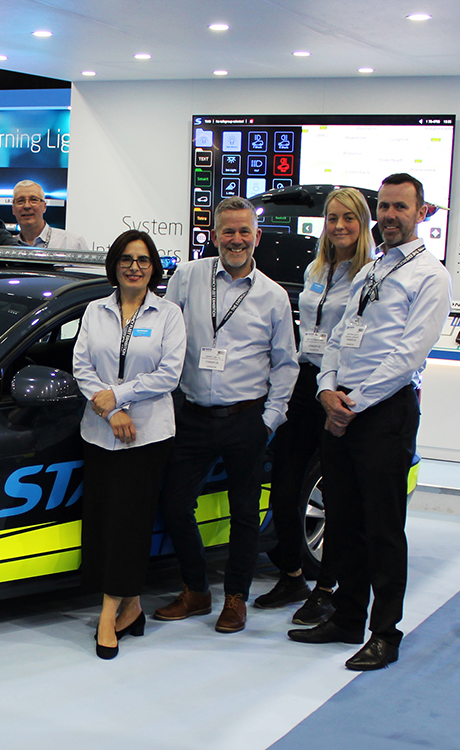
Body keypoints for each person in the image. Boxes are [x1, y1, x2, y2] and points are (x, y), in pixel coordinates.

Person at [288, 173, 451, 670]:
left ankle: (386, 632)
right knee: (344, 522)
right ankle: (346, 617)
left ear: (420, 213)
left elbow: (407, 356)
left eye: (400, 207)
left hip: (385, 414)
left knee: (383, 528)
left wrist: (351, 402)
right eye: (382, 207)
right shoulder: (371, 270)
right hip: (342, 409)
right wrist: (326, 389)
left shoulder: (430, 276)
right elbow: (337, 339)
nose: (389, 216)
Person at [153, 195, 298, 633]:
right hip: (193, 415)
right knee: (175, 504)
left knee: (244, 515)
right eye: (228, 231)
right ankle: (196, 590)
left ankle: (235, 598)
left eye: (244, 231)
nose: (236, 240)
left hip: (246, 418)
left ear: (257, 236)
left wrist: (268, 421)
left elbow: (286, 363)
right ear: (214, 235)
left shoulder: (272, 296)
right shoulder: (188, 277)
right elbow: (164, 331)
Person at [254, 188, 375, 623]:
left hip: (343, 386)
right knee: (286, 488)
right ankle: (291, 574)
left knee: (336, 494)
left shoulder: (371, 274)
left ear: (363, 224)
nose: (339, 226)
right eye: (332, 218)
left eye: (349, 218)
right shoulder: (316, 268)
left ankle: (326, 588)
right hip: (307, 382)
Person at [73, 230, 186, 659]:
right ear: (114, 265)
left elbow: (169, 375)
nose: (134, 266)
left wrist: (119, 398)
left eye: (142, 259)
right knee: (102, 522)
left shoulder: (168, 314)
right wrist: (109, 411)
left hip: (147, 435)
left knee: (129, 525)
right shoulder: (94, 310)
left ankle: (107, 616)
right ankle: (132, 605)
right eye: (126, 259)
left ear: (153, 266)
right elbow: (82, 367)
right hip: (101, 433)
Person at [12, 180, 88, 251]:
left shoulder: (71, 243)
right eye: (20, 201)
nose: (27, 206)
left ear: (44, 207)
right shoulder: (8, 246)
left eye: (34, 200)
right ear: (13, 208)